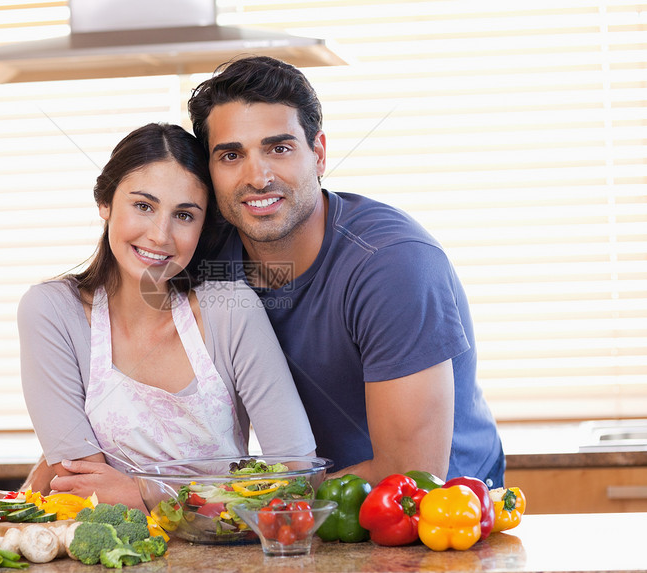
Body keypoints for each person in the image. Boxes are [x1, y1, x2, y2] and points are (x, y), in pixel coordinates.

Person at [186, 56, 505, 488]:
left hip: (442, 513)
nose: (257, 177)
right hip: (318, 508)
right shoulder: (206, 252)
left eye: (278, 148)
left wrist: (220, 495)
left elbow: (410, 475)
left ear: (317, 154)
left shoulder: (392, 265)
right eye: (230, 155)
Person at [14, 123, 316, 509]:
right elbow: (83, 489)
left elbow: (295, 474)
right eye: (143, 206)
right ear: (105, 203)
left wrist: (141, 494)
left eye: (184, 215)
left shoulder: (229, 311)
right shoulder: (53, 312)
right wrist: (211, 499)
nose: (160, 235)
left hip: (223, 555)